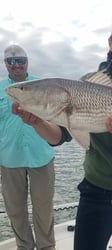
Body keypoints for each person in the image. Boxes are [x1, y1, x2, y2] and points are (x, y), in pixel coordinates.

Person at [12, 12, 112, 250]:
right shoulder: (85, 85)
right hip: (98, 187)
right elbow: (60, 136)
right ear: (110, 43)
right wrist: (37, 122)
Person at [0, 44, 58, 250]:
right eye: (11, 61)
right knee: (15, 210)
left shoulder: (43, 85)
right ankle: (24, 247)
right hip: (9, 159)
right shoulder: (0, 89)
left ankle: (46, 247)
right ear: (6, 63)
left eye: (21, 61)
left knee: (43, 209)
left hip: (41, 155)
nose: (16, 65)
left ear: (27, 62)